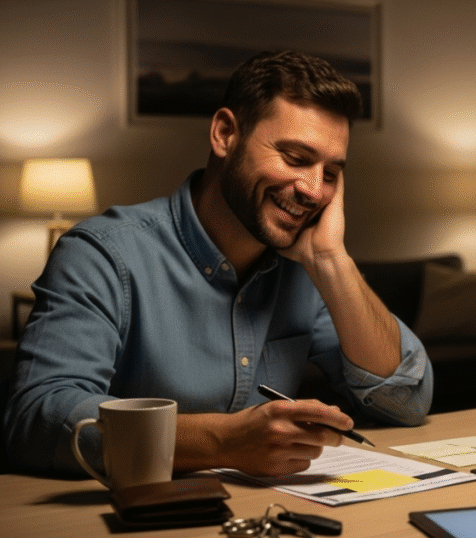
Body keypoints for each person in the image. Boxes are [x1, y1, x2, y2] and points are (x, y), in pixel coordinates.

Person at [4, 50, 433, 477]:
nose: (312, 190)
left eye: (331, 173)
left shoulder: (306, 269)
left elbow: (407, 402)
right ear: (226, 134)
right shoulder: (101, 255)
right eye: (296, 159)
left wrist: (331, 260)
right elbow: (37, 419)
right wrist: (222, 442)